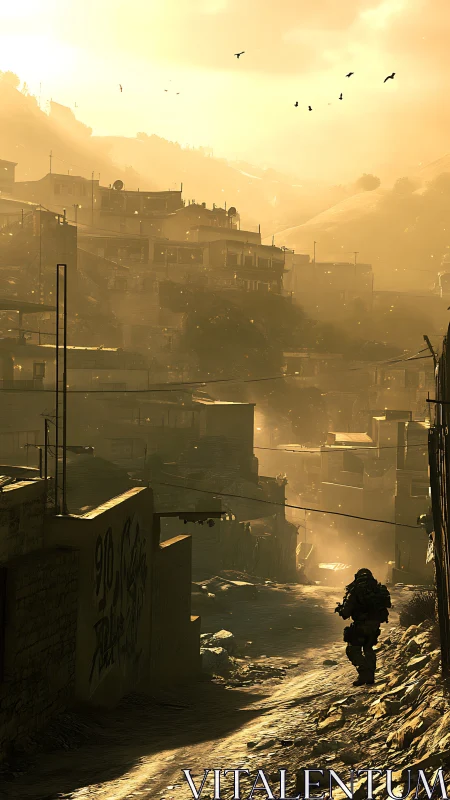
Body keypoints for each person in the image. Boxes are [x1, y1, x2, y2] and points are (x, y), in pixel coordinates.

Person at [335, 568, 391, 686]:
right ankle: (370, 676)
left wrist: (340, 609)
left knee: (352, 649)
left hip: (361, 625)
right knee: (368, 648)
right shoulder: (378, 590)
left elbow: (346, 612)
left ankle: (364, 673)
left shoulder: (355, 590)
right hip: (375, 625)